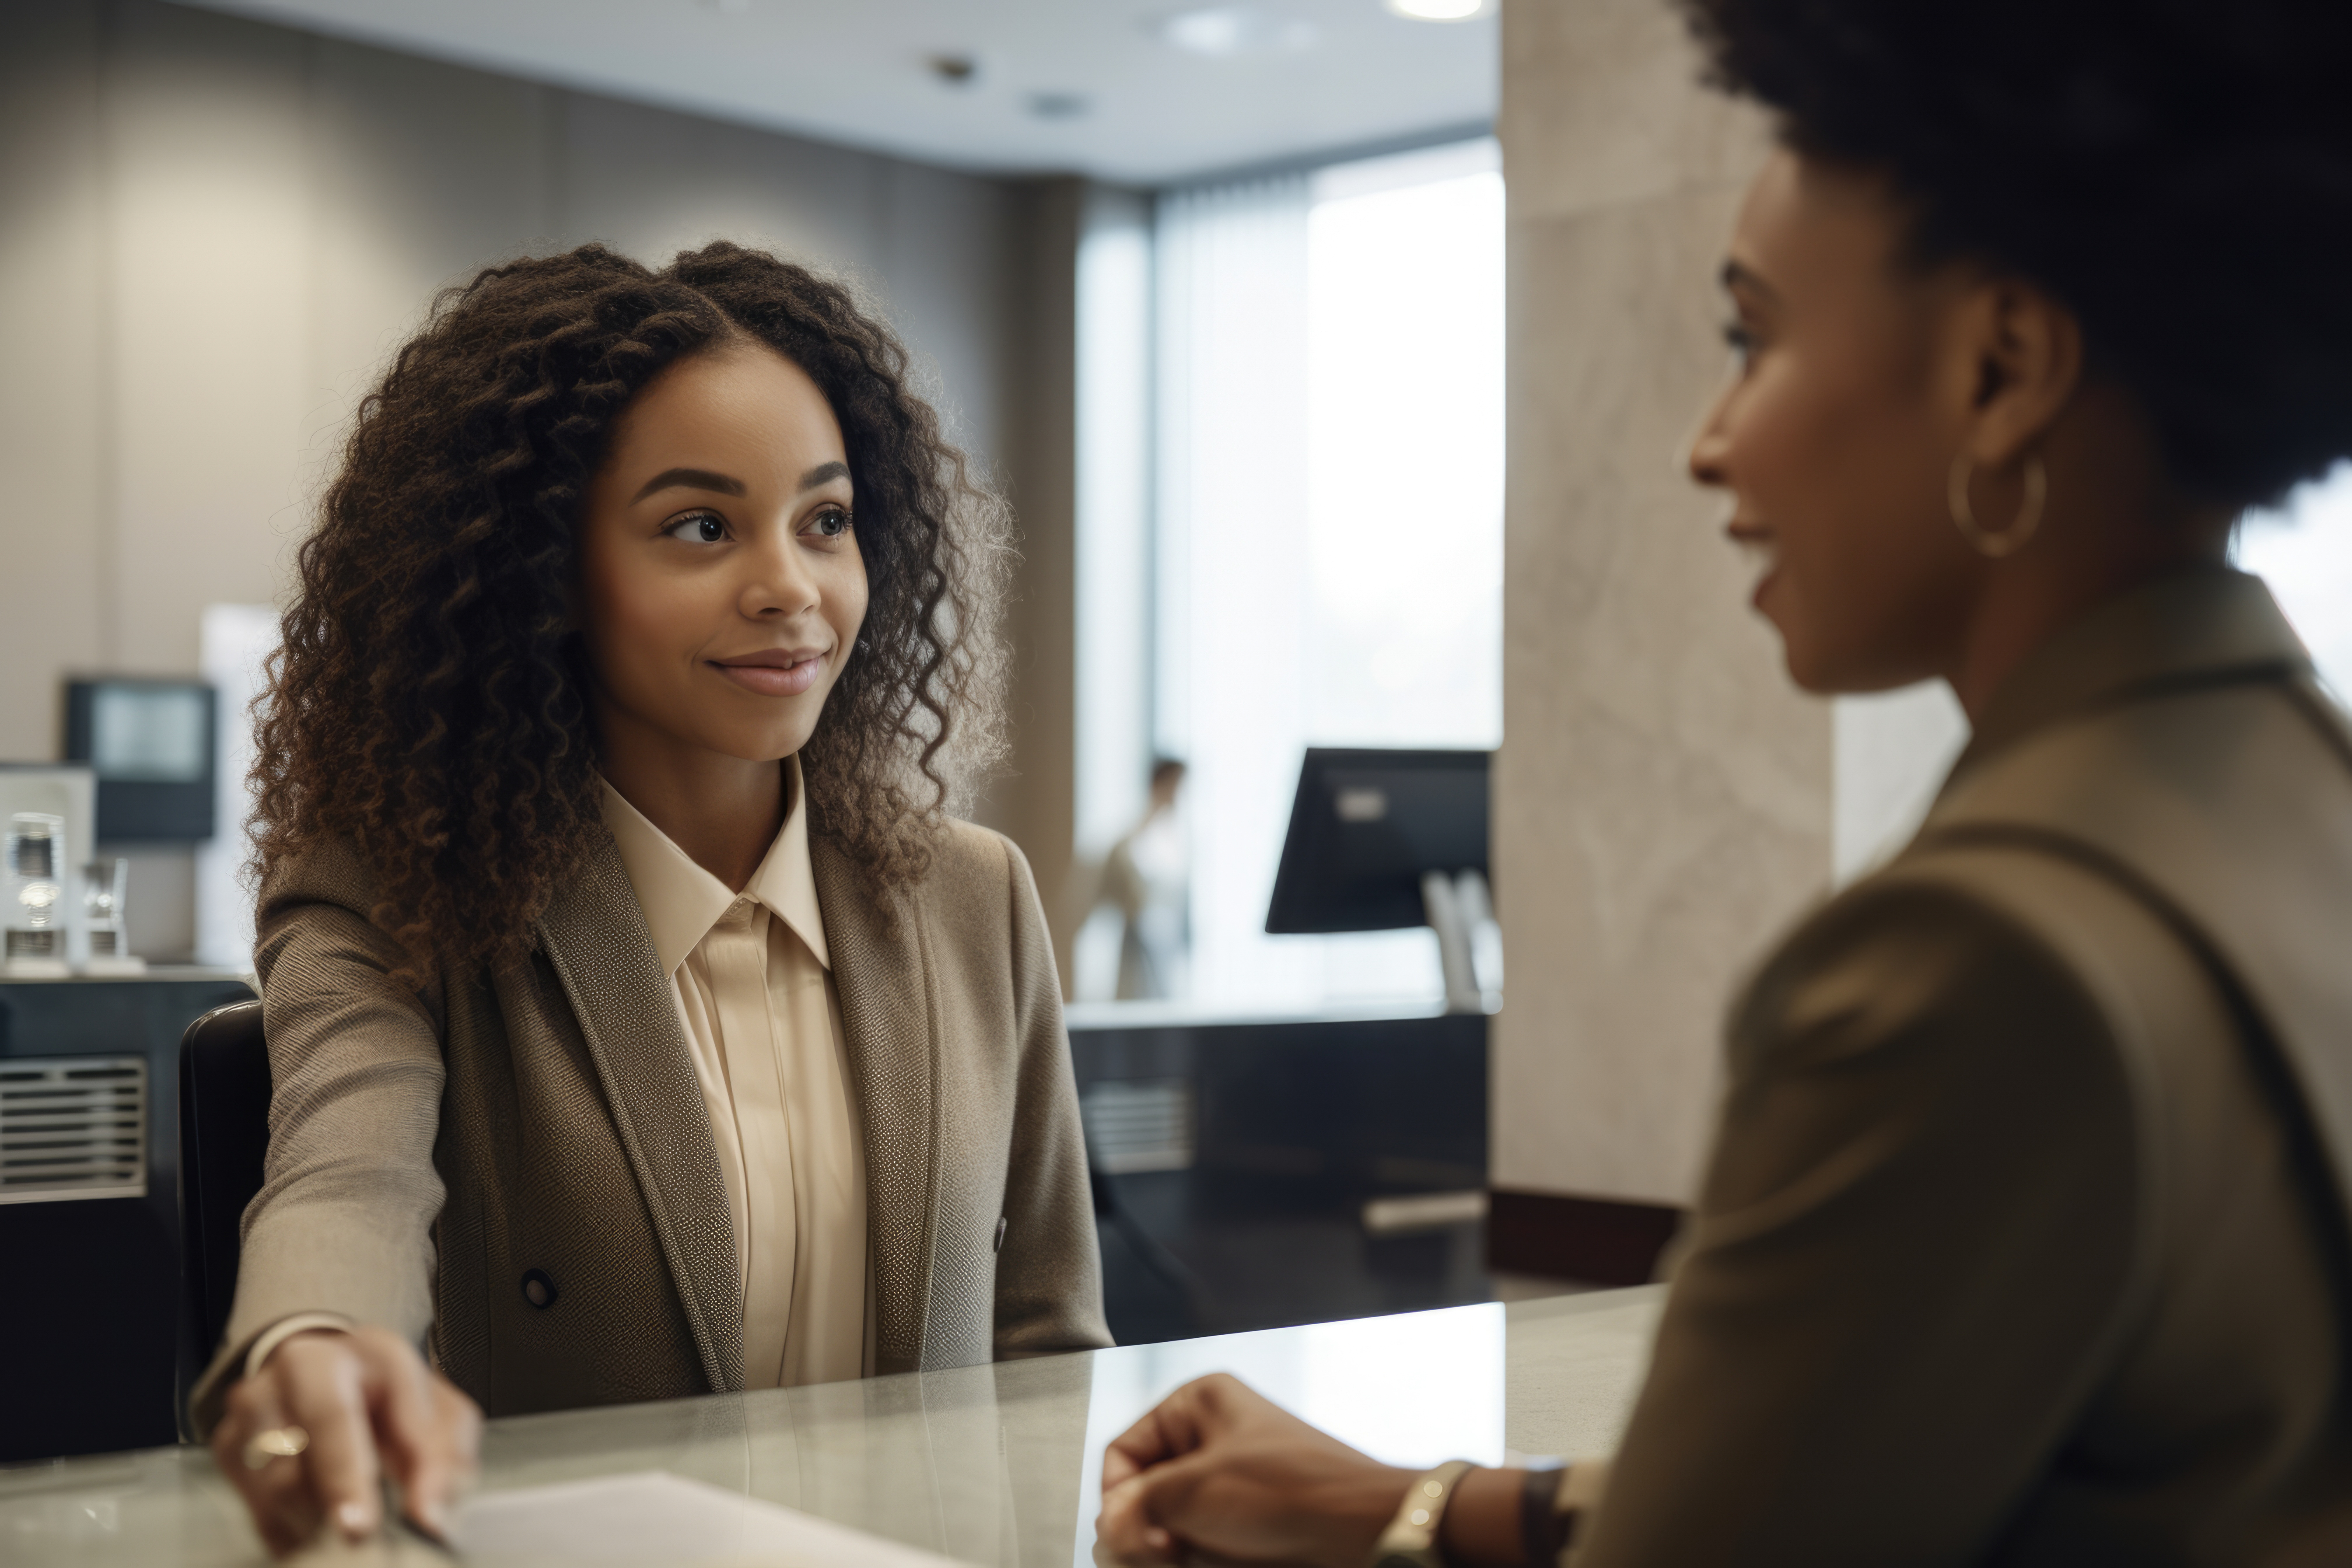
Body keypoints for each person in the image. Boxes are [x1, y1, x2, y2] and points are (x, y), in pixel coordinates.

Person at [1096, 0, 2352, 1562]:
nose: (1711, 444)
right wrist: (1406, 1507)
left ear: (2005, 365)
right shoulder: (2304, 802)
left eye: (1754, 339)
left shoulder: (1969, 962)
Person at [195, 242, 1110, 1556]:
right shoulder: (405, 890)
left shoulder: (974, 896)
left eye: (827, 519)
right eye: (700, 525)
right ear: (545, 573)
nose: (791, 587)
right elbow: (349, 1177)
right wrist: (314, 1337)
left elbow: (1047, 1345)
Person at [1096, 758, 1189, 1001]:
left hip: (1168, 952)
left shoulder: (1176, 840)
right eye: (1177, 785)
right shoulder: (1134, 842)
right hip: (1140, 955)